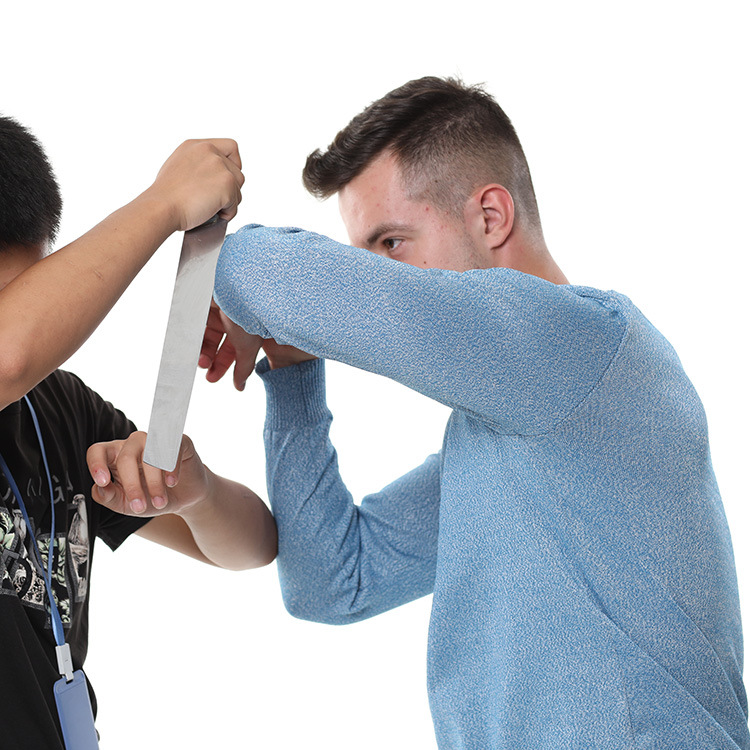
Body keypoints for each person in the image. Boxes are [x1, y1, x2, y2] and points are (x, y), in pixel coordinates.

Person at [203, 77, 749, 748]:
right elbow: (332, 583)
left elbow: (256, 269)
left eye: (390, 244)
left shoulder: (574, 344)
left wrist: (220, 253)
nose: (372, 279)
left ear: (490, 217)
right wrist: (293, 369)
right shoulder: (511, 428)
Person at [0, 115, 276, 750]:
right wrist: (164, 203)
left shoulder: (57, 407)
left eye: (29, 289)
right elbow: (9, 354)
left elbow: (252, 545)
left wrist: (197, 493)